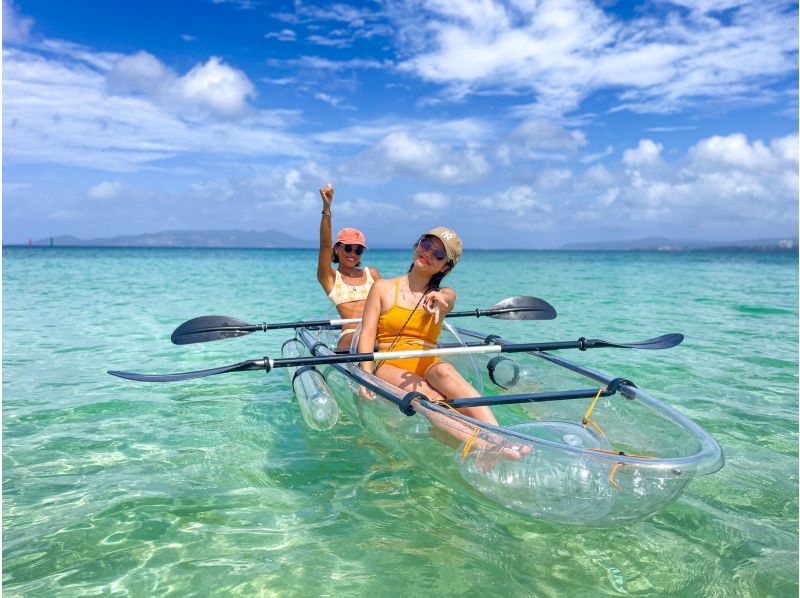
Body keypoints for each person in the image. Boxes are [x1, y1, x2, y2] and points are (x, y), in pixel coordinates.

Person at [357, 227, 524, 459]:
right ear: (417, 244)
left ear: (445, 266)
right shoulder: (382, 288)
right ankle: (482, 447)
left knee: (445, 370)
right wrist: (365, 376)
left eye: (438, 254)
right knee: (428, 395)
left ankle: (498, 436)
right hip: (389, 365)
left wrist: (440, 300)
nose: (428, 253)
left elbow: (448, 300)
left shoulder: (444, 293)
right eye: (426, 244)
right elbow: (367, 333)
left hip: (429, 364)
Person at [316, 183, 380, 349]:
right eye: (348, 248)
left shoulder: (371, 274)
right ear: (337, 248)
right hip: (351, 336)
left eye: (358, 249)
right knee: (365, 341)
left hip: (378, 332)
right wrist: (327, 209)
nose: (353, 253)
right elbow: (324, 246)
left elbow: (390, 300)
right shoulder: (330, 278)